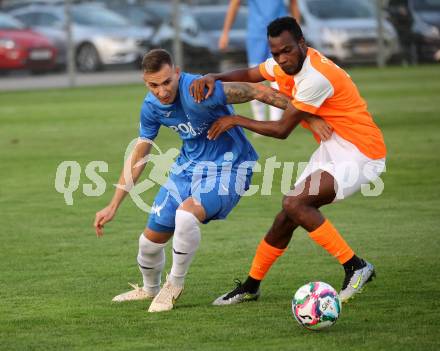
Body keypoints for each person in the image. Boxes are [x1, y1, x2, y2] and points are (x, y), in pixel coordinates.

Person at [93, 48, 330, 313]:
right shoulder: (151, 107)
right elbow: (140, 152)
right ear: (144, 82)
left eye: (167, 82)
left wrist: (308, 115)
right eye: (153, 85)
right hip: (187, 169)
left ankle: (174, 285)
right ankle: (149, 289)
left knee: (185, 215)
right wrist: (113, 204)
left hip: (231, 169)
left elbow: (256, 91)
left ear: (177, 73)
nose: (162, 91)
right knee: (148, 244)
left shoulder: (199, 90)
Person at [190, 17, 386, 305]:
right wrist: (213, 76)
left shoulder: (315, 76)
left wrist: (235, 119)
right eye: (276, 54)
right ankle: (250, 286)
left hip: (361, 151)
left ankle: (355, 266)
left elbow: (281, 131)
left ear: (302, 44)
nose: (281, 59)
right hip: (335, 146)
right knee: (287, 216)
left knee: (295, 204)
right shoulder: (285, 63)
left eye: (287, 51)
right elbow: (251, 73)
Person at [219, 0, 300, 126]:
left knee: (279, 76)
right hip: (256, 34)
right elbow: (234, 4)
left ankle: (276, 121)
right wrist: (225, 32)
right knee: (255, 77)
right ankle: (259, 120)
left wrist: (296, 31)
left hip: (280, 34)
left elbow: (294, 4)